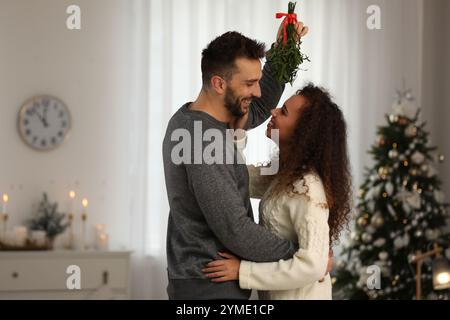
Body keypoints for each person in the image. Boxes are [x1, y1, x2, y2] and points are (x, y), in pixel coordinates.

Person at [162, 23, 321, 300]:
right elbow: (235, 229)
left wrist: (285, 48)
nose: (257, 91)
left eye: (257, 81)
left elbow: (258, 108)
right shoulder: (202, 139)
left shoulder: (201, 119)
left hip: (205, 281)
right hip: (209, 284)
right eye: (249, 84)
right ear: (219, 84)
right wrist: (303, 257)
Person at [202, 84, 352, 300]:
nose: (273, 111)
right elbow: (238, 178)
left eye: (283, 112)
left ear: (303, 132)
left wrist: (242, 271)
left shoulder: (307, 188)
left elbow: (312, 266)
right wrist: (237, 134)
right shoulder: (286, 173)